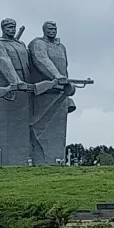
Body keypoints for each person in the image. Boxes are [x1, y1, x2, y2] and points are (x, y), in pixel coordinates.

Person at [0, 18, 32, 165]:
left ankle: (20, 160)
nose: (12, 30)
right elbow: (4, 62)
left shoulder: (20, 44)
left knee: (20, 124)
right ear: (3, 28)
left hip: (23, 84)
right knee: (1, 124)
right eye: (9, 27)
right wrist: (14, 81)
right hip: (4, 83)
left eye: (13, 27)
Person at [29, 21, 77, 165]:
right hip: (45, 93)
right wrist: (56, 76)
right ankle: (40, 161)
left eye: (55, 29)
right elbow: (41, 60)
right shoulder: (38, 43)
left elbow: (65, 68)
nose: (53, 31)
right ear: (44, 30)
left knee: (58, 131)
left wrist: (66, 83)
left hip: (61, 92)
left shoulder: (60, 47)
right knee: (40, 127)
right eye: (50, 29)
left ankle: (57, 161)